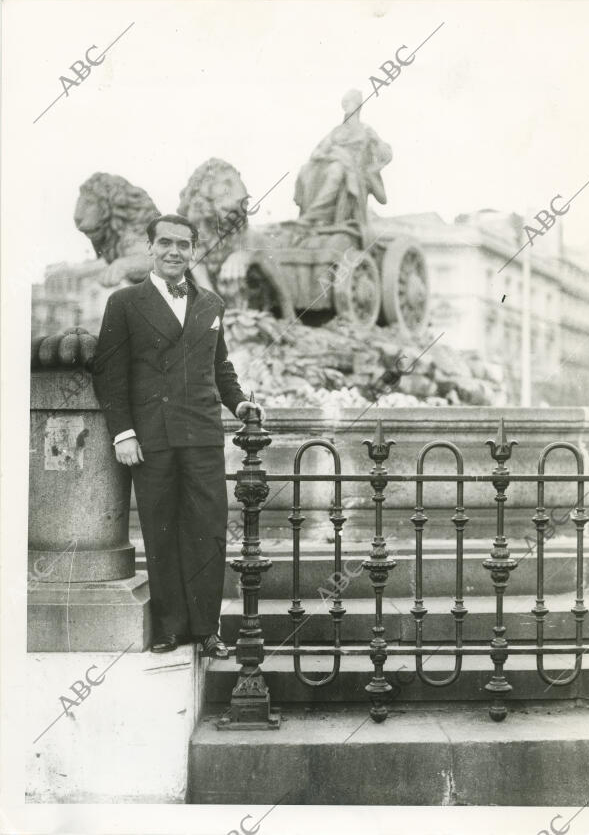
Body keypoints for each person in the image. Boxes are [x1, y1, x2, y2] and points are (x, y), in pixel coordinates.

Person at [92, 213, 264, 656]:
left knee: (208, 531)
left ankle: (207, 629)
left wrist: (238, 402)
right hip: (152, 437)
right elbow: (109, 374)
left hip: (203, 434)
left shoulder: (210, 303)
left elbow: (219, 366)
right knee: (161, 529)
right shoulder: (125, 302)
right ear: (149, 248)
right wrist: (123, 433)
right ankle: (170, 627)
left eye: (183, 245)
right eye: (165, 243)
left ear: (193, 251)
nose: (174, 251)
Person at [294, 88, 392, 227]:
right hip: (334, 162)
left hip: (355, 170)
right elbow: (317, 152)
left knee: (336, 170)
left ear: (358, 106)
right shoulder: (337, 131)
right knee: (306, 169)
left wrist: (376, 140)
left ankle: (314, 214)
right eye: (345, 103)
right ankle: (315, 217)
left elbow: (386, 155)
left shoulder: (366, 130)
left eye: (350, 102)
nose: (347, 106)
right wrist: (332, 155)